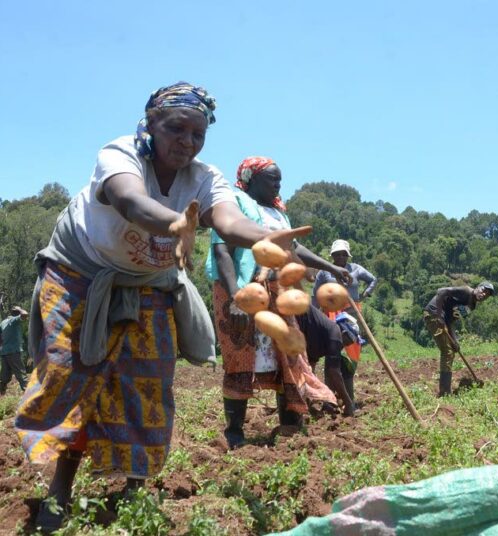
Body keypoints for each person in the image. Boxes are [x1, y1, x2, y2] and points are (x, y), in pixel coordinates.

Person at [14, 82, 309, 533]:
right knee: (74, 376)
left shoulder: (205, 177)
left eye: (198, 134)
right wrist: (176, 222)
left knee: (147, 382)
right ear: (151, 124)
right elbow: (129, 201)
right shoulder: (119, 154)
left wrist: (264, 237)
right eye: (177, 129)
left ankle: (134, 489)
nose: (187, 142)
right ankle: (59, 490)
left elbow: (228, 221)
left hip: (150, 281)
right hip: (78, 273)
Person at [205, 157, 351, 450]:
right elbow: (222, 251)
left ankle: (289, 426)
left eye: (280, 180)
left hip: (279, 294)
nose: (278, 184)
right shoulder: (233, 204)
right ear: (252, 179)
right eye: (272, 179)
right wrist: (236, 296)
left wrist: (331, 268)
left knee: (289, 356)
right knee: (240, 360)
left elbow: (294, 247)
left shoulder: (278, 214)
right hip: (243, 291)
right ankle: (235, 432)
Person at [311, 239, 376, 399]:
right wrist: (313, 315)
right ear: (332, 255)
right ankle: (329, 398)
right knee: (332, 355)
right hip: (330, 317)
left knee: (350, 355)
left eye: (343, 254)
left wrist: (365, 294)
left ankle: (348, 396)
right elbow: (315, 294)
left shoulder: (356, 269)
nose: (340, 257)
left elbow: (373, 279)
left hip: (351, 316)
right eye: (337, 254)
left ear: (348, 255)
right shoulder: (324, 272)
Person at [423, 282, 495, 396]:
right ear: (478, 287)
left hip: (443, 321)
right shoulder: (466, 291)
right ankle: (444, 392)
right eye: (483, 290)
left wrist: (455, 340)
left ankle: (445, 390)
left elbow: (451, 320)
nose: (484, 294)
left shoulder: (471, 306)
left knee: (451, 351)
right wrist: (438, 316)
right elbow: (441, 291)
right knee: (447, 352)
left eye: (487, 294)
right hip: (433, 314)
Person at [0, 306, 29, 395]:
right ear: (17, 314)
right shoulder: (15, 320)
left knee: (4, 378)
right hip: (14, 352)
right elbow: (25, 314)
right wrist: (20, 309)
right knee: (21, 376)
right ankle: (30, 398)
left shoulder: (3, 322)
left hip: (4, 352)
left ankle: (1, 394)